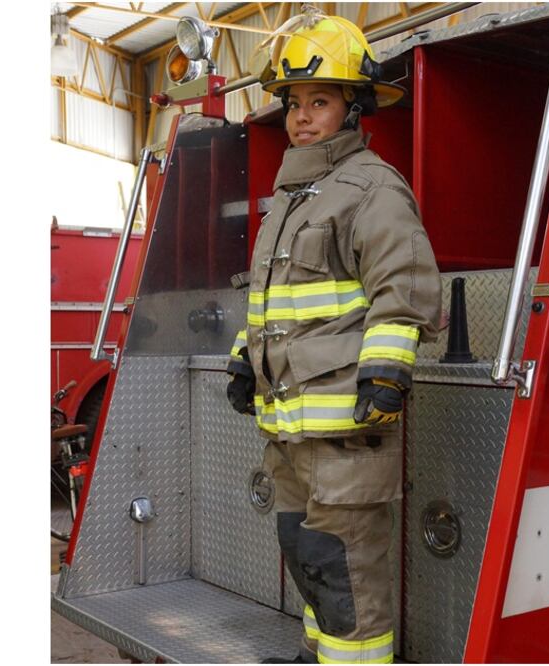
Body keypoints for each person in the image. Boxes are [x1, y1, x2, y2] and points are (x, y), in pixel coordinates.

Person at [225, 12, 441, 664]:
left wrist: (385, 373)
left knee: (349, 577)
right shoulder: (292, 198)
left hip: (347, 429)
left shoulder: (371, 188)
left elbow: (401, 290)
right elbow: (274, 308)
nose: (300, 116)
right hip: (289, 430)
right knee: (310, 560)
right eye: (293, 103)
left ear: (353, 108)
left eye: (319, 100)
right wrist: (245, 359)